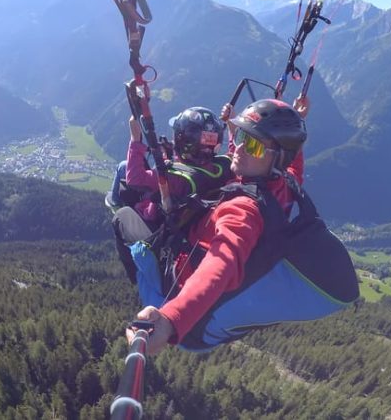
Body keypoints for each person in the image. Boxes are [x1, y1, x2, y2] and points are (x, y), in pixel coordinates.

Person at [126, 95, 359, 354]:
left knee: (130, 236)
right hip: (204, 319)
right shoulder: (284, 184)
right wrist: (297, 120)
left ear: (277, 158)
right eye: (240, 137)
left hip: (183, 314)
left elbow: (220, 265)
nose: (239, 149)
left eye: (254, 146)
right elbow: (294, 169)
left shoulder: (243, 211)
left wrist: (171, 319)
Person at [112, 106, 234, 284]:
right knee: (123, 166)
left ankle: (135, 275)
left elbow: (135, 179)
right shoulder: (224, 166)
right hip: (191, 215)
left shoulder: (175, 176)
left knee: (120, 213)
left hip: (158, 223)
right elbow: (235, 151)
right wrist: (231, 125)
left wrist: (135, 137)